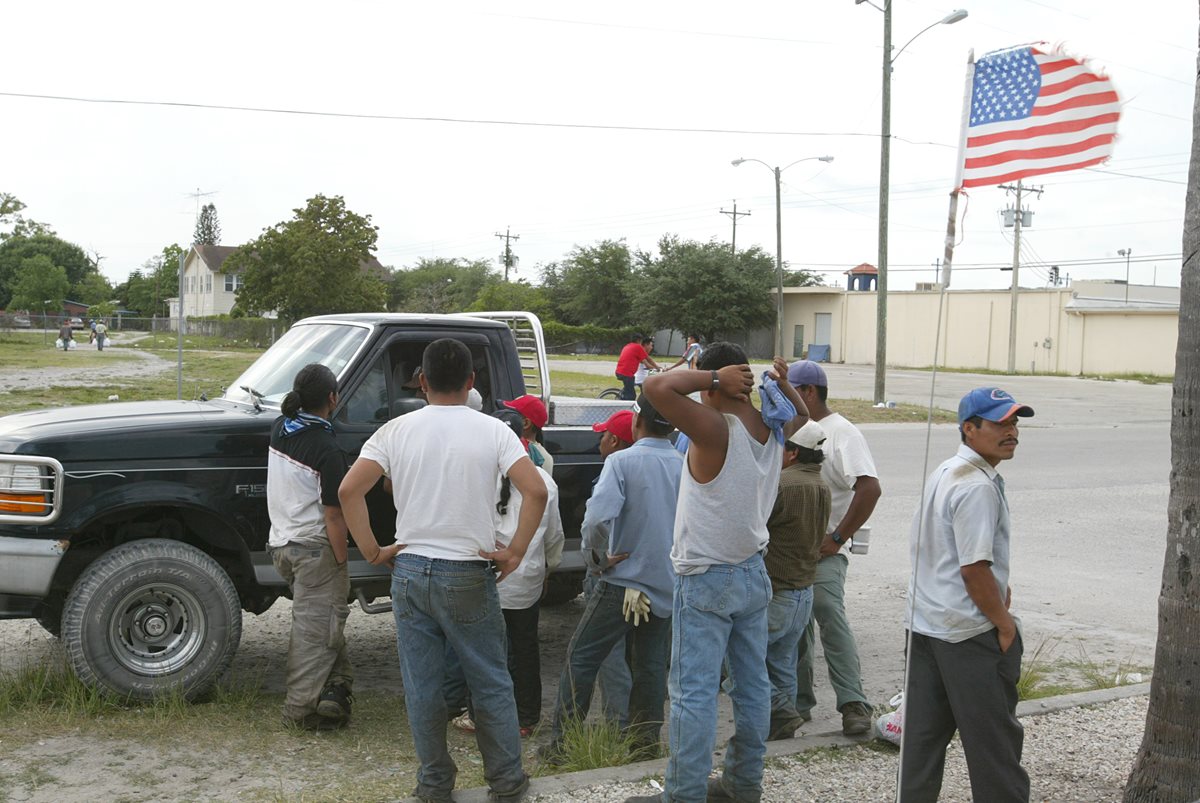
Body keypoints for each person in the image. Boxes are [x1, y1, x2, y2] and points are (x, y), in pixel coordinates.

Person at [338, 338, 547, 803]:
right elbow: (536, 492)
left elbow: (349, 490)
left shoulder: (395, 430)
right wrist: (513, 553)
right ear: (472, 382)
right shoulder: (495, 431)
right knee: (490, 680)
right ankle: (507, 781)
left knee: (423, 685)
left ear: (423, 382)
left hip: (410, 570)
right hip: (469, 572)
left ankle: (434, 783)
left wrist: (373, 550)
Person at [627, 344, 809, 803]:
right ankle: (744, 784)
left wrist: (710, 379)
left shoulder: (715, 427)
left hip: (707, 576)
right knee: (751, 687)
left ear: (725, 378)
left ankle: (684, 795)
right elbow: (803, 415)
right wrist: (780, 383)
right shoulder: (772, 427)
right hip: (752, 574)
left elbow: (655, 386)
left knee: (693, 694)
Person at [900, 387, 1034, 802]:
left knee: (921, 742)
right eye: (999, 423)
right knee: (994, 746)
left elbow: (953, 551)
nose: (1010, 431)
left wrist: (998, 584)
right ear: (969, 429)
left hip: (925, 625)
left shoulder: (947, 471)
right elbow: (973, 569)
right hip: (965, 634)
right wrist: (1004, 623)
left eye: (1014, 422)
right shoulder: (975, 485)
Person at [541, 393, 683, 762]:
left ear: (638, 423)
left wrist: (595, 558)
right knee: (651, 667)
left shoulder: (622, 461)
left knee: (582, 657)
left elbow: (596, 518)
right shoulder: (684, 464)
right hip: (664, 583)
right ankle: (644, 745)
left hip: (622, 581)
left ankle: (561, 746)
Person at [452, 408, 565, 738]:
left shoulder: (474, 479)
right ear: (523, 441)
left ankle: (480, 716)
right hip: (525, 580)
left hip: (483, 579)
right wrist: (549, 569)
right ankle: (525, 718)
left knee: (482, 652)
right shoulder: (543, 481)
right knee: (524, 649)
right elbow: (554, 536)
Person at [788, 359, 881, 737]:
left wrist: (838, 537)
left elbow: (869, 487)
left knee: (826, 609)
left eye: (788, 391)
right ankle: (797, 703)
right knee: (794, 623)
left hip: (824, 549)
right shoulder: (790, 428)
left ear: (808, 392)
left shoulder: (842, 433)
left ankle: (853, 703)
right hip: (788, 551)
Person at [265, 364, 354, 730]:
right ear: (333, 398)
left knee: (325, 624)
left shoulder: (281, 427)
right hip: (314, 549)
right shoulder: (326, 447)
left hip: (281, 546)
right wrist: (342, 557)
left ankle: (336, 693)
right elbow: (334, 515)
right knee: (315, 634)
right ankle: (298, 711)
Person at [762, 420, 830, 741]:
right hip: (803, 593)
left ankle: (781, 711)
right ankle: (781, 731)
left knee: (741, 664)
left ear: (792, 453)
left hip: (777, 591)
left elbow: (757, 530)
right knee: (783, 664)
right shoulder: (822, 486)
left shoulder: (782, 483)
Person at [583, 408, 636, 726]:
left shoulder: (613, 471)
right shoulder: (662, 465)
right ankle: (641, 721)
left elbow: (595, 521)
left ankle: (618, 723)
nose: (600, 440)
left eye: (603, 435)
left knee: (607, 653)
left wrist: (595, 560)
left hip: (612, 573)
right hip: (649, 574)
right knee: (643, 653)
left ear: (614, 440)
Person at [503, 394, 554, 474]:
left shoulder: (518, 450)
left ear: (526, 423)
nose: (505, 417)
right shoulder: (547, 457)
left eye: (511, 415)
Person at [615, 335, 660, 401]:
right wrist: (657, 368)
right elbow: (649, 359)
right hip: (627, 374)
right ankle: (625, 407)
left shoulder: (628, 346)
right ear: (639, 340)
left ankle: (623, 399)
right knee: (631, 396)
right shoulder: (638, 347)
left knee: (629, 391)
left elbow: (645, 361)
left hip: (619, 372)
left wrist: (655, 367)